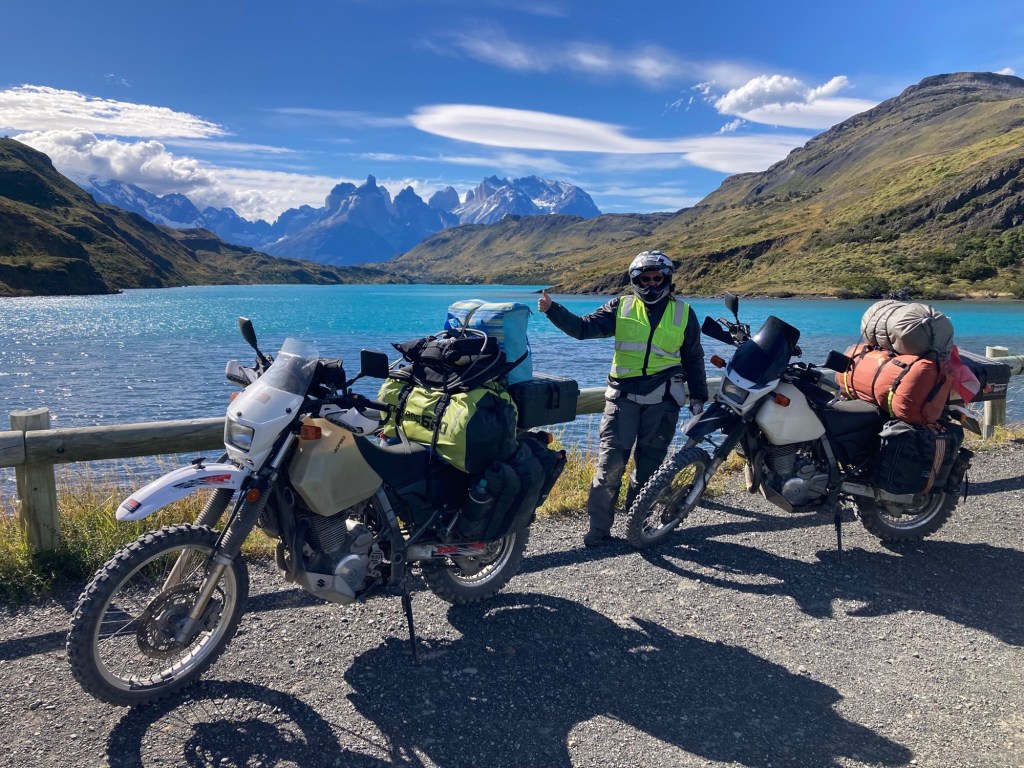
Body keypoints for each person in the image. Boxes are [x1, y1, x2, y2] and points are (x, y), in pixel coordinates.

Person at [538, 250, 708, 547]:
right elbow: (583, 328)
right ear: (635, 281)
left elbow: (693, 357)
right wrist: (553, 309)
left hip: (664, 400)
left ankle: (637, 524)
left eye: (657, 278)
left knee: (650, 469)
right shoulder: (621, 306)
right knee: (610, 467)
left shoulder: (684, 313)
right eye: (645, 279)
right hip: (623, 398)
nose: (651, 284)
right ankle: (599, 529)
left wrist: (699, 396)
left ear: (667, 279)